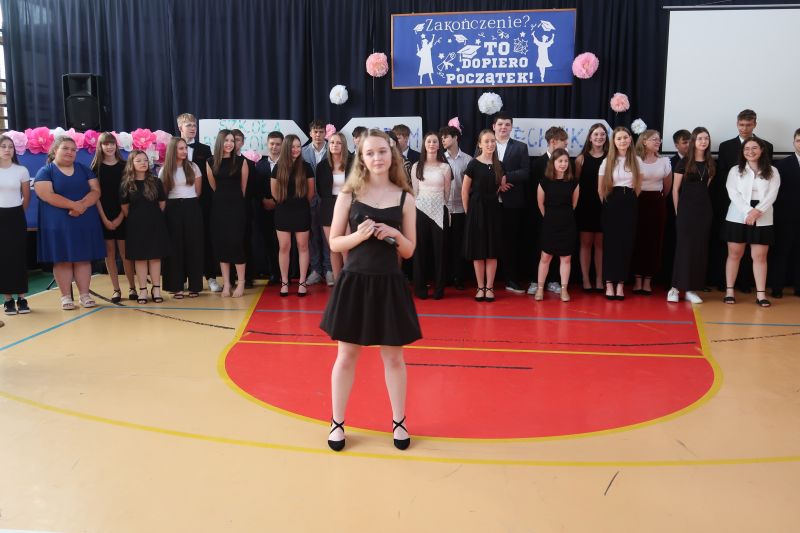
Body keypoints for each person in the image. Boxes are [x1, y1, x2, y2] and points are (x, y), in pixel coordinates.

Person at [320, 129, 420, 452]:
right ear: (361, 159)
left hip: (389, 284)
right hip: (355, 283)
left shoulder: (405, 198)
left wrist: (394, 234)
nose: (377, 157)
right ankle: (337, 422)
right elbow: (335, 242)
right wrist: (359, 236)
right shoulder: (348, 194)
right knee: (346, 356)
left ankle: (399, 421)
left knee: (394, 358)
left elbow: (409, 250)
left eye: (382, 151)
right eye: (370, 153)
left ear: (392, 155)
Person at [34, 136, 105, 310]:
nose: (70, 152)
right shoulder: (45, 171)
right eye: (65, 148)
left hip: (83, 221)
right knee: (62, 260)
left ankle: (84, 295)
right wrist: (75, 206)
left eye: (73, 150)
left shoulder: (84, 169)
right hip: (58, 224)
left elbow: (96, 191)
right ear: (55, 150)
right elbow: (46, 194)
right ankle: (66, 297)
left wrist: (82, 206)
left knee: (83, 258)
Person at [710, 109, 774, 292]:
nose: (744, 128)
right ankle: (726, 285)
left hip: (759, 208)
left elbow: (768, 178)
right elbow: (723, 177)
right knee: (733, 249)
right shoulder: (726, 146)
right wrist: (741, 205)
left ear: (755, 124)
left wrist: (756, 209)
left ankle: (746, 284)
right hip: (733, 204)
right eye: (741, 124)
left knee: (756, 249)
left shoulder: (767, 146)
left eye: (748, 125)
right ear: (737, 123)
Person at [722, 137, 780, 307]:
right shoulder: (735, 170)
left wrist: (757, 211)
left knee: (760, 257)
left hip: (763, 216)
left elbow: (772, 194)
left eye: (754, 148)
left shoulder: (773, 170)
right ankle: (729, 291)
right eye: (746, 149)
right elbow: (732, 193)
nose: (750, 151)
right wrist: (749, 211)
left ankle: (761, 294)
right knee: (734, 254)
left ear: (761, 150)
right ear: (742, 152)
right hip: (737, 215)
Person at [667, 127, 715, 304]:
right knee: (684, 249)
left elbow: (705, 187)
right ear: (694, 141)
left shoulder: (710, 163)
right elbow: (675, 190)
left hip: (704, 211)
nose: (703, 141)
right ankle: (674, 288)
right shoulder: (684, 162)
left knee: (699, 249)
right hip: (686, 212)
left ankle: (690, 289)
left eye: (706, 138)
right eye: (700, 138)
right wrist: (678, 212)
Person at [120, 150, 170, 304]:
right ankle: (143, 290)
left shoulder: (156, 181)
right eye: (139, 160)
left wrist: (152, 217)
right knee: (140, 258)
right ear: (131, 164)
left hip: (155, 224)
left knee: (155, 257)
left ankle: (156, 289)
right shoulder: (126, 184)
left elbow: (162, 203)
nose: (143, 163)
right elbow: (125, 208)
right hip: (136, 226)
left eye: (145, 160)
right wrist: (138, 218)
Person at [177, 113, 218, 292]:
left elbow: (209, 177)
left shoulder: (205, 149)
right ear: (180, 127)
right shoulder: (172, 148)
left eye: (194, 125)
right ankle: (183, 277)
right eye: (189, 125)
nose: (193, 128)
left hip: (202, 203)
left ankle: (211, 277)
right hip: (180, 203)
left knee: (206, 239)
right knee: (183, 240)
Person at [462, 129, 505, 303]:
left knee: (492, 251)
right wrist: (469, 213)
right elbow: (465, 191)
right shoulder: (473, 164)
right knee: (479, 251)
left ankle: (490, 287)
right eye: (486, 141)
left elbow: (499, 187)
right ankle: (480, 287)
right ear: (480, 144)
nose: (490, 144)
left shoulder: (499, 164)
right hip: (476, 211)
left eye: (492, 141)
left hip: (493, 211)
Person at [92, 132, 135, 303]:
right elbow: (96, 196)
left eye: (112, 143)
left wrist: (121, 216)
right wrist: (104, 219)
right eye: (106, 144)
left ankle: (132, 287)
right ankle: (116, 289)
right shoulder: (95, 169)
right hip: (104, 216)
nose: (109, 147)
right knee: (109, 253)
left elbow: (130, 194)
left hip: (123, 215)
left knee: (126, 254)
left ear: (116, 146)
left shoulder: (125, 166)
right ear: (100, 146)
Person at [489, 113, 530, 295]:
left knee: (511, 242)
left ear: (511, 127)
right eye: (500, 124)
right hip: (490, 200)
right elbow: (477, 167)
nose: (503, 127)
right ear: (494, 126)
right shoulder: (485, 144)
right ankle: (488, 281)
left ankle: (511, 279)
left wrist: (506, 177)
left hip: (512, 202)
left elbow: (525, 172)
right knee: (490, 240)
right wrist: (498, 183)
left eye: (507, 124)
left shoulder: (520, 147)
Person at [599, 127, 641, 300]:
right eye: (619, 138)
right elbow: (601, 189)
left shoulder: (636, 160)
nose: (622, 141)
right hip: (612, 203)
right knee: (611, 244)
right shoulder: (607, 161)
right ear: (614, 142)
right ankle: (609, 283)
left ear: (630, 140)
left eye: (625, 137)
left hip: (629, 203)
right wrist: (609, 204)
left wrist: (628, 200)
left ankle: (621, 284)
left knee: (626, 243)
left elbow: (638, 187)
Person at [159, 137, 204, 298]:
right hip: (172, 209)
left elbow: (198, 191)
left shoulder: (193, 167)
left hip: (191, 207)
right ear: (173, 150)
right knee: (175, 247)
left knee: (194, 246)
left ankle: (195, 286)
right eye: (180, 148)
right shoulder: (164, 170)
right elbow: (163, 194)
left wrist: (187, 204)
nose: (184, 151)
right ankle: (176, 286)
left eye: (185, 148)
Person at [206, 130, 249, 298]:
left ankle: (241, 283)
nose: (230, 143)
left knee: (236, 244)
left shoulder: (241, 161)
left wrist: (235, 202)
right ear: (220, 142)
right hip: (218, 209)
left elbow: (243, 188)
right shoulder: (210, 162)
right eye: (226, 140)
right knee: (221, 245)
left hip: (237, 209)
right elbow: (214, 186)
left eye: (232, 140)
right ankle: (227, 283)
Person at [271, 134, 315, 297]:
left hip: (301, 211)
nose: (296, 149)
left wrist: (300, 204)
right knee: (284, 247)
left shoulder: (306, 167)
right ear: (286, 148)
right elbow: (274, 193)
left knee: (303, 247)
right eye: (292, 147)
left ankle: (302, 282)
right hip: (283, 211)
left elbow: (310, 193)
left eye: (298, 146)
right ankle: (284, 282)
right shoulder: (277, 167)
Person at [534, 148, 579, 302]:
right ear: (553, 163)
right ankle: (540, 288)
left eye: (566, 161)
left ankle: (564, 289)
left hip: (567, 224)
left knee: (566, 258)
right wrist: (550, 218)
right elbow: (540, 204)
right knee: (545, 257)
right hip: (550, 224)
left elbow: (573, 204)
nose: (563, 164)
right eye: (560, 161)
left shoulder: (573, 182)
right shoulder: (544, 182)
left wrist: (563, 217)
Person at [527, 126, 568, 295]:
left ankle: (553, 280)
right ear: (553, 141)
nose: (566, 145)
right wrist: (544, 214)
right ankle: (535, 281)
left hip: (561, 215)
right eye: (563, 142)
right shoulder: (537, 163)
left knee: (560, 248)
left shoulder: (567, 163)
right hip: (541, 214)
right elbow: (533, 193)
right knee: (538, 246)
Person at [411, 132, 452, 299]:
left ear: (439, 145)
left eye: (435, 141)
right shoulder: (416, 166)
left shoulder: (445, 167)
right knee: (420, 250)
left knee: (440, 251)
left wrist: (438, 204)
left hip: (439, 210)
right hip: (420, 210)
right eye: (429, 141)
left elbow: (447, 192)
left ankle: (439, 288)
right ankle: (420, 288)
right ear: (424, 144)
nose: (432, 144)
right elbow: (414, 192)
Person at [631, 130, 672, 295]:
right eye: (654, 139)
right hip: (638, 202)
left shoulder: (664, 161)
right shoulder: (635, 160)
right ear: (644, 141)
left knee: (654, 241)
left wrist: (657, 198)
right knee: (638, 239)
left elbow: (667, 187)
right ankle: (637, 279)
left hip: (657, 204)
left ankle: (648, 279)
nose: (658, 142)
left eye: (659, 140)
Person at [574, 123, 608, 292]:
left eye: (602, 134)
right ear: (590, 137)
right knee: (586, 244)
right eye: (596, 134)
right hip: (585, 206)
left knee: (601, 245)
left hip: (604, 205)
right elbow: (576, 183)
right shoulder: (581, 159)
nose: (599, 137)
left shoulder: (611, 158)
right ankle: (586, 279)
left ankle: (600, 279)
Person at [0, 135, 32, 315]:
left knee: (18, 256)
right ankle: (8, 300)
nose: (7, 150)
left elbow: (26, 197)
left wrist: (18, 213)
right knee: (3, 258)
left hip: (16, 216)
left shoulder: (21, 170)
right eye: (3, 146)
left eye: (10, 147)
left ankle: (22, 298)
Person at [439, 125, 472, 290]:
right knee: (443, 244)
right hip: (442, 208)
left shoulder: (467, 160)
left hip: (460, 208)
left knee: (459, 245)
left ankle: (458, 277)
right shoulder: (439, 158)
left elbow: (471, 186)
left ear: (455, 138)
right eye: (441, 137)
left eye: (446, 136)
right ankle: (444, 277)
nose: (443, 140)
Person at [315, 131, 350, 282]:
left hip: (348, 207)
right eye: (332, 142)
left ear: (344, 145)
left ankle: (348, 281)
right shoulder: (322, 166)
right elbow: (320, 190)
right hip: (328, 207)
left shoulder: (353, 163)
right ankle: (337, 281)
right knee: (334, 247)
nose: (335, 145)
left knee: (346, 248)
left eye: (338, 143)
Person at [302, 119, 333, 287]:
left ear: (325, 133)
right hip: (309, 200)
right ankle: (315, 270)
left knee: (329, 237)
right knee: (313, 236)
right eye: (315, 131)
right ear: (310, 133)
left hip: (329, 201)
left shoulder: (333, 149)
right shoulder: (302, 152)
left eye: (321, 131)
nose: (318, 134)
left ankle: (329, 269)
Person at [771, 129, 800, 298]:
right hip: (786, 218)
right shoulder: (781, 165)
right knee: (781, 253)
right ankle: (777, 288)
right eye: (798, 140)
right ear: (793, 142)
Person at [661, 129, 691, 287]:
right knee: (672, 243)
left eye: (690, 141)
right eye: (685, 142)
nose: (689, 145)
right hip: (673, 210)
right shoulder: (669, 162)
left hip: (692, 210)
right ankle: (669, 279)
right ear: (676, 145)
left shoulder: (699, 161)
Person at [255, 131, 283, 284]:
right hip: (264, 209)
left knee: (283, 243)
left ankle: (286, 273)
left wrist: (277, 202)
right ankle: (273, 272)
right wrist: (263, 200)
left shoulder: (287, 164)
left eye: (278, 144)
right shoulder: (260, 165)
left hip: (284, 209)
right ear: (267, 144)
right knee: (268, 242)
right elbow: (255, 187)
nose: (274, 147)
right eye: (272, 144)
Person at [232, 129, 258, 288]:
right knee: (228, 242)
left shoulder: (248, 163)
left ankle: (247, 277)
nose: (234, 143)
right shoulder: (218, 162)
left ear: (242, 142)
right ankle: (229, 278)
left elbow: (252, 189)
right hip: (226, 210)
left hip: (244, 209)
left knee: (245, 242)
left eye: (238, 140)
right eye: (232, 139)